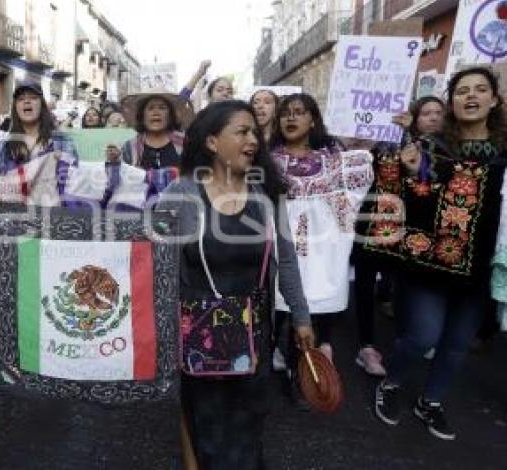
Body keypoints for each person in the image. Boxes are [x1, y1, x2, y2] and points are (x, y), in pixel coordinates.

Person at [158, 100, 313, 469]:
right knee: (206, 423)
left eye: (254, 132)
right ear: (212, 142)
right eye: (241, 132)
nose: (253, 140)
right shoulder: (181, 196)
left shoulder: (266, 194)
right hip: (197, 332)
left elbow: (286, 259)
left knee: (248, 425)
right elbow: (156, 266)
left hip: (255, 332)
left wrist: (302, 317)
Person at [373, 67, 507, 440]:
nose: (471, 96)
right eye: (462, 90)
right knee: (422, 336)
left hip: (482, 266)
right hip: (432, 260)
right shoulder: (432, 147)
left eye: (481, 89)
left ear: (495, 100)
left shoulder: (503, 153)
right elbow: (413, 201)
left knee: (456, 346)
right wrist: (415, 171)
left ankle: (430, 401)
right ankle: (391, 382)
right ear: (452, 101)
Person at [270, 93, 373, 368]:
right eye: (285, 113)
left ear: (313, 119)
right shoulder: (265, 161)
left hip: (320, 248)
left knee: (307, 316)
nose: (291, 117)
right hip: (278, 243)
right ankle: (269, 364)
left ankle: (300, 371)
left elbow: (351, 194)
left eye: (299, 112)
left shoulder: (334, 160)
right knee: (273, 308)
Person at [353, 96, 446, 377]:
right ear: (414, 117)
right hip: (373, 220)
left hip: (412, 227)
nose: (432, 117)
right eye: (425, 112)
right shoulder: (386, 144)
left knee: (405, 284)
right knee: (365, 282)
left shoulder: (447, 150)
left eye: (438, 112)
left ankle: (407, 339)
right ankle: (366, 345)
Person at [0, 82, 78, 185]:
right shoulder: (3, 145)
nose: (27, 101)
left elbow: (74, 180)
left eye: (33, 98)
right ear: (15, 108)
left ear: (42, 105)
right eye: (20, 99)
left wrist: (61, 164)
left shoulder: (62, 141)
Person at [120, 90, 193, 198]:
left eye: (162, 108)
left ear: (170, 115)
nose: (156, 112)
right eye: (150, 108)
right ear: (142, 115)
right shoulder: (129, 147)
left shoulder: (185, 143)